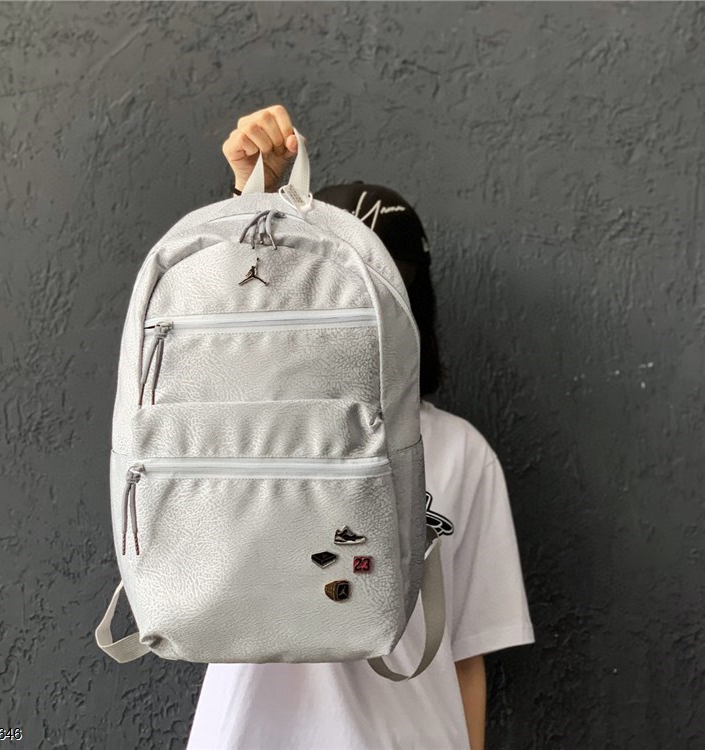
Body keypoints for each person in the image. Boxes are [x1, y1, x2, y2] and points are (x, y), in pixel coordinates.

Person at [186, 106, 536, 750]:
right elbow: (222, 342)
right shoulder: (255, 427)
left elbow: (467, 656)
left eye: (384, 289)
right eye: (339, 286)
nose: (363, 310)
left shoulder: (462, 452)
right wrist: (253, 199)